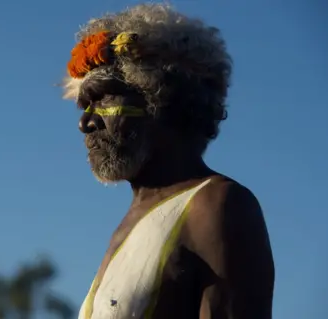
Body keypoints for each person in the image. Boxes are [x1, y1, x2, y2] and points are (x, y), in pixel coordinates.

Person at [62, 4, 275, 319]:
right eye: (84, 106)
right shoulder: (127, 225)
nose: (85, 123)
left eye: (104, 99)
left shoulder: (217, 206)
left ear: (160, 100)